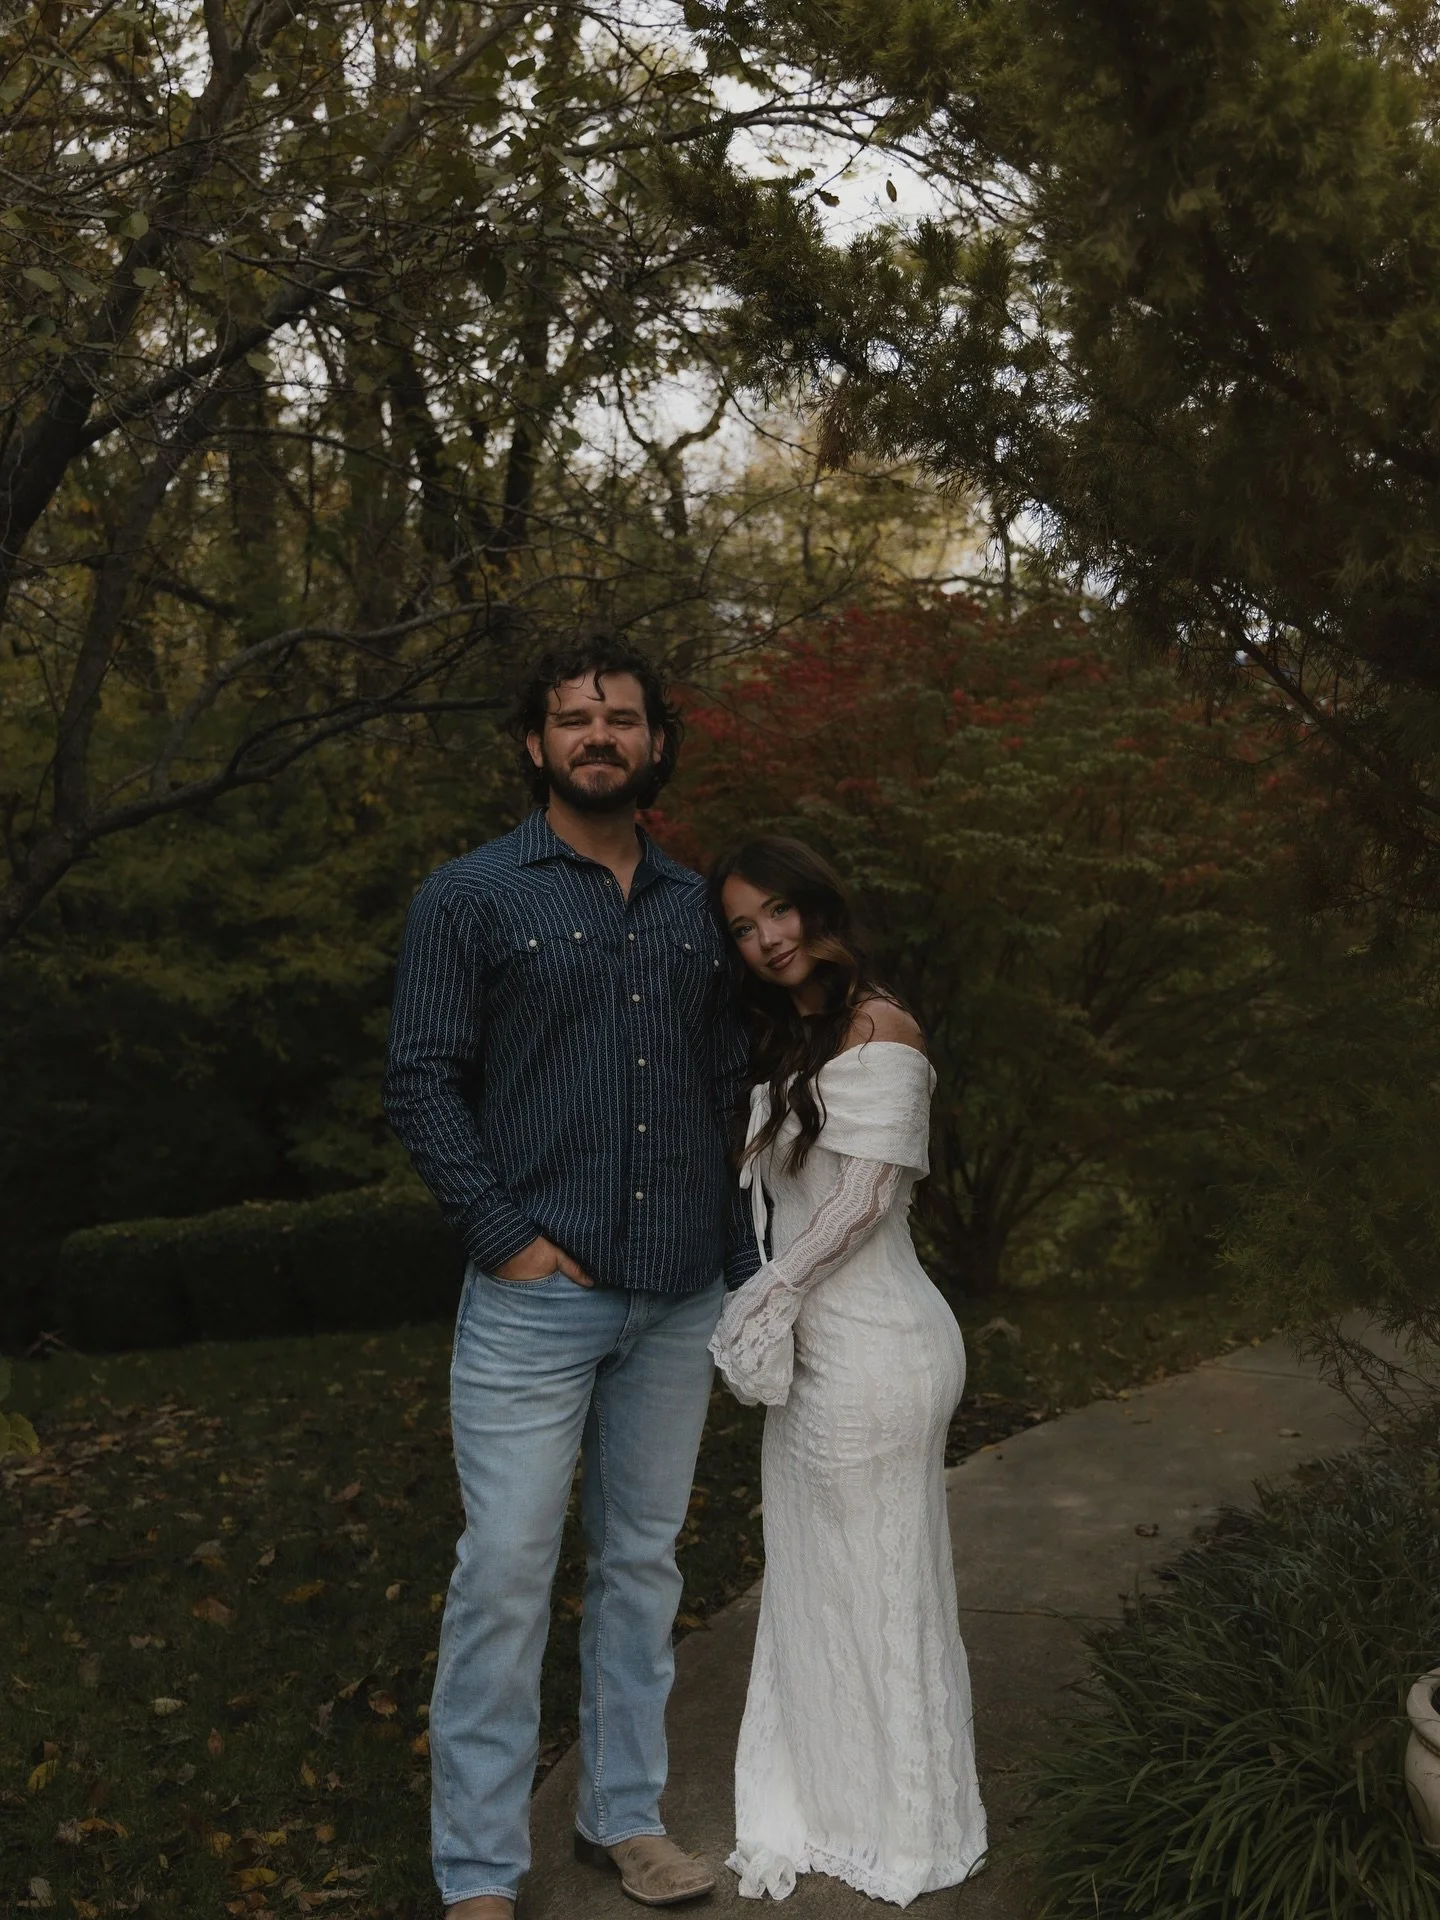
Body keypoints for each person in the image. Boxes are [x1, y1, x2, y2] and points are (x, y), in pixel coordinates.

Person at [384, 637, 760, 1918]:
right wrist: (507, 1237)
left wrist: (743, 1266)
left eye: (622, 718)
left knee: (644, 1565)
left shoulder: (694, 906)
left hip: (678, 1292)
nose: (599, 735)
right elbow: (423, 1078)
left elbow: (724, 1089)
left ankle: (625, 1819)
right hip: (537, 1296)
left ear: (657, 744)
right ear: (534, 744)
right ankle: (481, 1874)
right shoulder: (471, 897)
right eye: (574, 718)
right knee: (504, 1572)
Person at [706, 836, 988, 1908]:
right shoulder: (803, 1034)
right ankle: (833, 1804)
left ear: (819, 906)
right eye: (742, 925)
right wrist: (772, 1307)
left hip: (874, 1348)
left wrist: (765, 1302)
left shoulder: (882, 1027)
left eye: (778, 911)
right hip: (825, 1343)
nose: (767, 938)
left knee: (880, 1586)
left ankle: (905, 1829)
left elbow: (859, 1203)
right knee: (823, 1581)